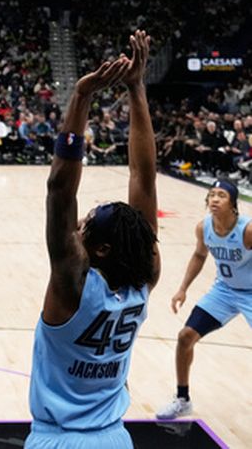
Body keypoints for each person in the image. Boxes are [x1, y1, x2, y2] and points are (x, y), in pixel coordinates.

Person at [26, 30, 160, 449]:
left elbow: (59, 190)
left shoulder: (73, 284)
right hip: (115, 439)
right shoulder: (143, 279)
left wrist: (81, 98)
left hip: (59, 440)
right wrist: (136, 89)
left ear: (99, 248)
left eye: (86, 224)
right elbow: (143, 177)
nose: (79, 224)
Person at [156, 179, 252, 419]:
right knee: (185, 336)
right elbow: (199, 255)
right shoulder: (204, 227)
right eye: (212, 194)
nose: (215, 199)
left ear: (233, 204)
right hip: (225, 291)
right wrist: (182, 288)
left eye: (221, 195)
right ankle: (182, 399)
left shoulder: (247, 230)